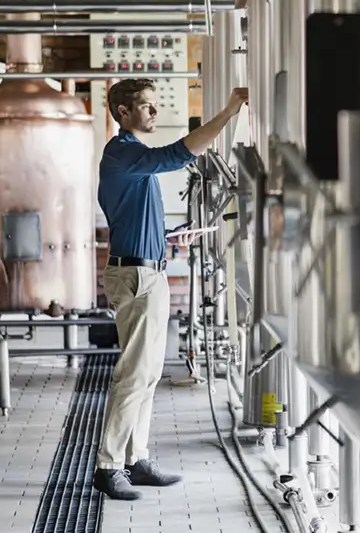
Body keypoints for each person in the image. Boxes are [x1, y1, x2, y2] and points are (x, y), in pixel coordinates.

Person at [93, 78, 248, 501]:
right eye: (146, 105)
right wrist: (228, 113)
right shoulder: (122, 152)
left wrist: (170, 236)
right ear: (123, 112)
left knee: (150, 374)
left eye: (155, 105)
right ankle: (108, 466)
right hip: (136, 277)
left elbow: (137, 219)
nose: (154, 113)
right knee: (134, 374)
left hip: (150, 270)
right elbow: (180, 153)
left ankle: (135, 457)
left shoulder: (134, 160)